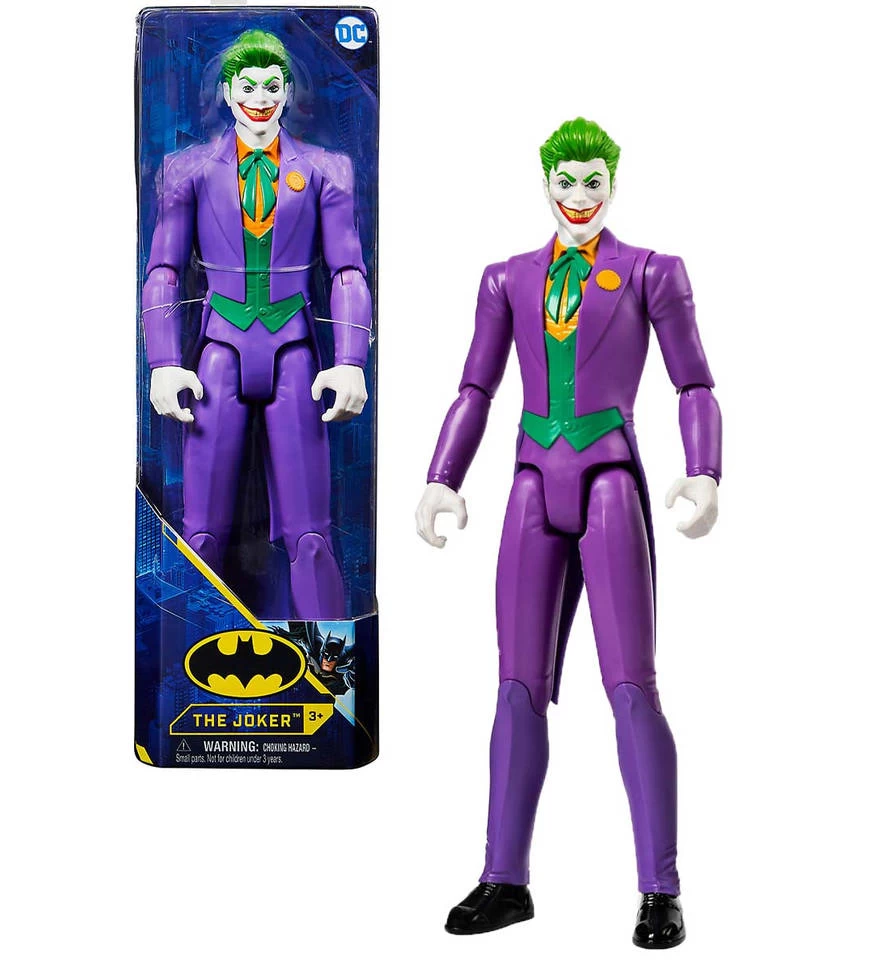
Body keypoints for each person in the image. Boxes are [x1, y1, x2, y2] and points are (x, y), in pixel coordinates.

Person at [415, 117, 722, 948]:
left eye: (593, 180)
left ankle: (660, 890)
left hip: (610, 479)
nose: (579, 196)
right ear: (545, 181)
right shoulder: (506, 278)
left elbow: (694, 383)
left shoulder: (651, 271)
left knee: (631, 686)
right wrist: (442, 476)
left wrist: (703, 470)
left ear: (612, 183)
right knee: (516, 686)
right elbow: (475, 388)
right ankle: (503, 878)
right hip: (529, 484)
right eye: (566, 180)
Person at [142, 29, 371, 618]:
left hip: (295, 353)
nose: (261, 99)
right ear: (226, 92)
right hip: (217, 352)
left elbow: (348, 270)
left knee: (311, 531)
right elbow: (164, 269)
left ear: (289, 91)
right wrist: (164, 362)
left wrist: (350, 360)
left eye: (273, 86)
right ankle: (192, 651)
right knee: (200, 532)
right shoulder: (186, 170)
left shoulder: (327, 170)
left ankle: (329, 660)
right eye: (248, 86)